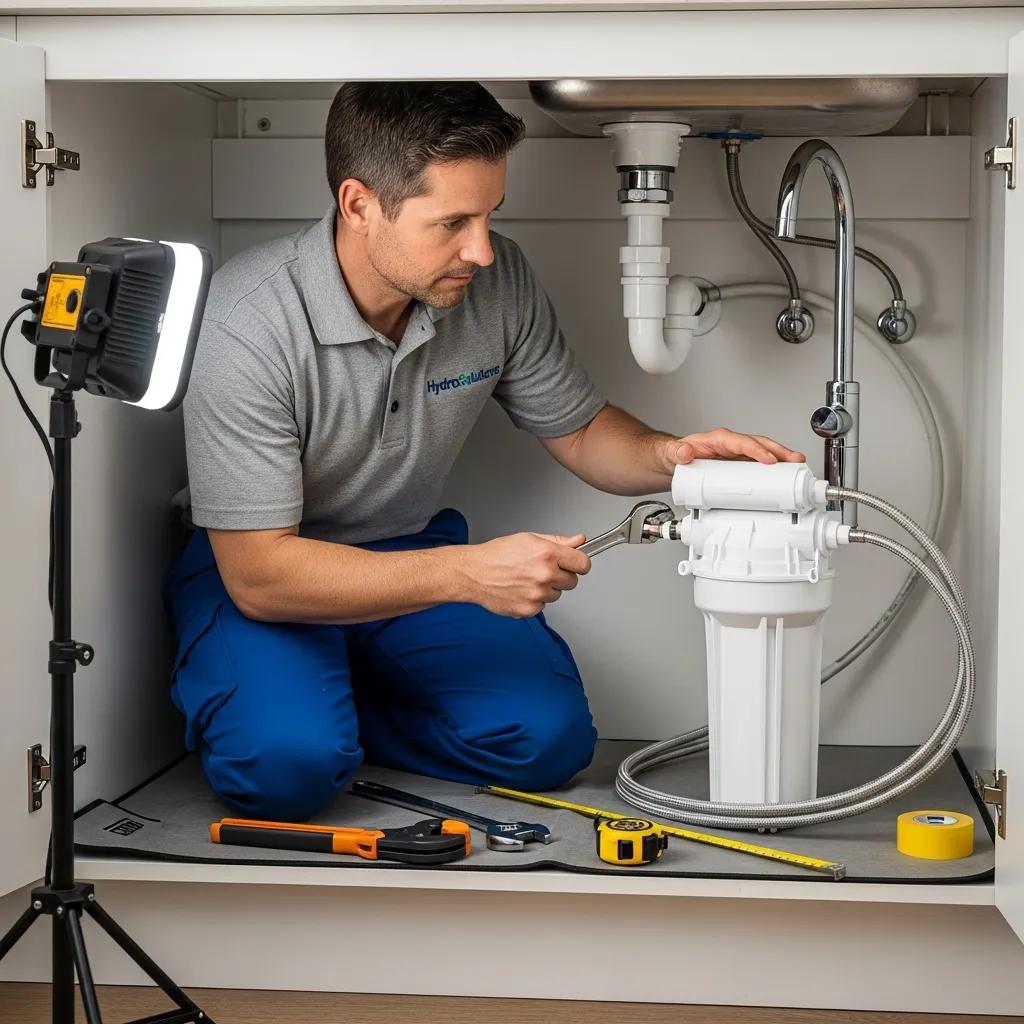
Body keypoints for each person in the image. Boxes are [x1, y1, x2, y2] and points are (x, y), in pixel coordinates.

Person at [164, 81, 805, 822]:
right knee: (281, 774)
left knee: (547, 744)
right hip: (267, 570)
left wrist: (674, 458)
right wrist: (469, 572)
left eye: (490, 214)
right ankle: (304, 718)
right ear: (358, 204)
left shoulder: (492, 286)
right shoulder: (249, 322)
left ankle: (327, 703)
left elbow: (582, 430)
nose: (481, 249)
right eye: (452, 222)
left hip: (404, 553)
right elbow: (260, 576)